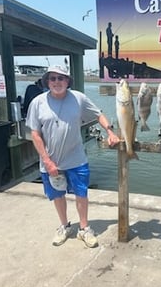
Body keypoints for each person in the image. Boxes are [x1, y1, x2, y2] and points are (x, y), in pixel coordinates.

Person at [26, 65, 120, 247]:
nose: (56, 82)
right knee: (57, 195)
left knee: (81, 193)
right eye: (52, 78)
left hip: (76, 159)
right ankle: (64, 226)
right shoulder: (37, 102)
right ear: (47, 81)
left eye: (61, 78)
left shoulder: (79, 98)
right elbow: (35, 134)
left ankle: (84, 229)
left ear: (68, 81)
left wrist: (110, 132)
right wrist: (47, 161)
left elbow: (98, 114)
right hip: (50, 162)